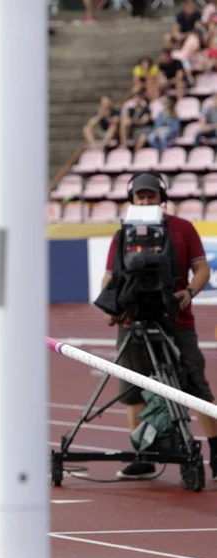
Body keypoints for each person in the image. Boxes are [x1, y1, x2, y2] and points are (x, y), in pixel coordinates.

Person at [99, 172, 217, 481]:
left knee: (195, 388)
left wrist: (189, 293)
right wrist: (110, 306)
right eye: (141, 197)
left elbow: (202, 268)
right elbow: (111, 276)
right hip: (132, 318)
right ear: (132, 200)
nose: (147, 201)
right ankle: (144, 455)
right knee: (133, 388)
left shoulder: (182, 228)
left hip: (175, 318)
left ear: (161, 198)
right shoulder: (123, 234)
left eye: (152, 196)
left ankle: (216, 455)